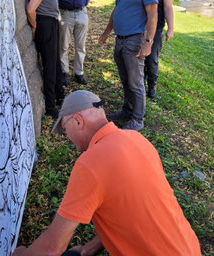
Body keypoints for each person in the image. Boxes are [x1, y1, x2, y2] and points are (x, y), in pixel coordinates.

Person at [12, 90, 202, 256]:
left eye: (64, 129)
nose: (67, 137)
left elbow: (52, 248)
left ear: (78, 121)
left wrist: (23, 254)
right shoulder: (137, 139)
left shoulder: (90, 163)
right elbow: (132, 208)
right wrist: (90, 248)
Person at [98, 0, 158, 131]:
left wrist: (148, 42)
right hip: (120, 38)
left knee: (136, 81)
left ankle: (137, 120)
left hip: (135, 39)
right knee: (125, 79)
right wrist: (107, 31)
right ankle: (127, 110)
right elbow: (118, 8)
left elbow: (153, 14)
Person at [57, 0, 101, 86]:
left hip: (82, 13)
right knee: (63, 46)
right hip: (65, 14)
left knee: (80, 46)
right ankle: (64, 73)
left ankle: (79, 72)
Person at [27, 0, 64, 119]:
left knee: (54, 63)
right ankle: (50, 106)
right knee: (50, 65)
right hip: (46, 26)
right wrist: (35, 26)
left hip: (51, 25)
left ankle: (58, 95)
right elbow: (30, 9)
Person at [143, 0, 174, 98]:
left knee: (151, 60)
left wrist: (171, 29)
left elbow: (168, 8)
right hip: (139, 27)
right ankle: (140, 85)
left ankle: (152, 86)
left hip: (156, 28)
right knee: (139, 58)